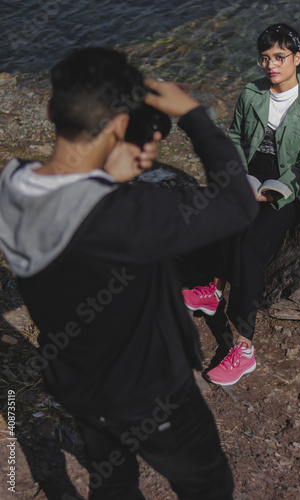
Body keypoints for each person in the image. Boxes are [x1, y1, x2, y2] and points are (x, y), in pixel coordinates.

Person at [0, 47, 259, 499]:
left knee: (112, 481)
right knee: (207, 484)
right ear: (121, 125)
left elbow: (74, 218)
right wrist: (194, 115)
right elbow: (237, 204)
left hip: (79, 385)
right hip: (151, 395)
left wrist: (107, 179)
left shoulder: (12, 185)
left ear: (49, 109)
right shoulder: (125, 217)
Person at [182, 23, 300, 387]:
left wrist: (273, 191)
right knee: (228, 218)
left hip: (286, 191)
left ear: (297, 58)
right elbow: (234, 137)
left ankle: (244, 347)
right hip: (249, 179)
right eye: (265, 58)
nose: (271, 65)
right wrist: (240, 179)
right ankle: (213, 290)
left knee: (250, 245)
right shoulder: (252, 93)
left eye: (279, 57)